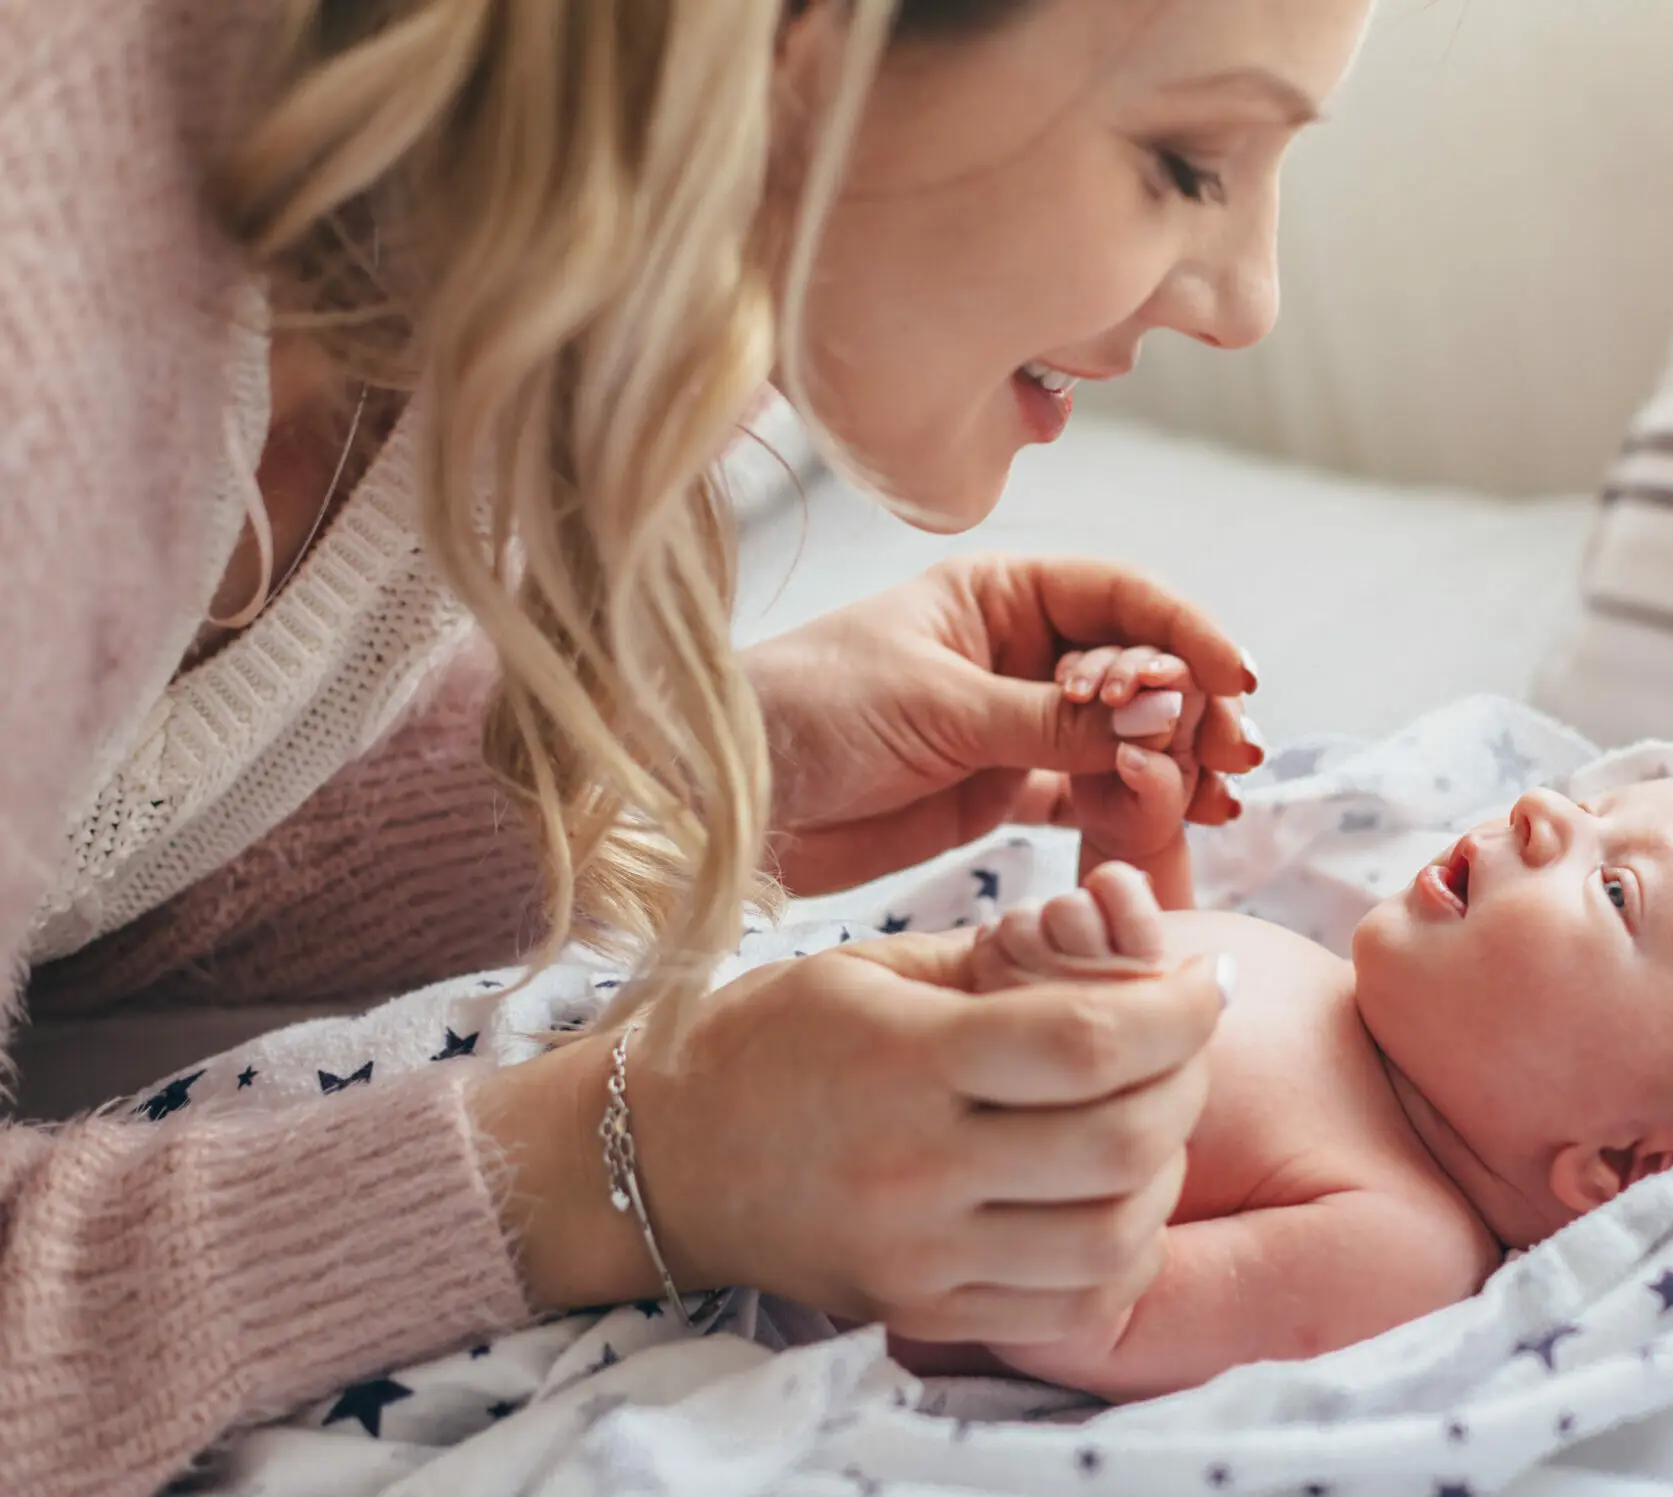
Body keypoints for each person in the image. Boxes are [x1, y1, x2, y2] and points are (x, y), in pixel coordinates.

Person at [0, 0, 1372, 1490]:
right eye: (1187, 158)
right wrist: (627, 1166)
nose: (1249, 302)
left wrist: (686, 762)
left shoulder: (487, 276)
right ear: (800, 44)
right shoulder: (46, 312)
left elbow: (97, 839)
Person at [891, 681, 1673, 1400]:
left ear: (1618, 1166)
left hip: (832, 1209)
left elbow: (1093, 1321)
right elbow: (1169, 990)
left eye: (1617, 888)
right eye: (1590, 808)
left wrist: (1059, 1107)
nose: (1539, 814)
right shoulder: (1335, 995)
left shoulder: (1402, 1246)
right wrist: (1132, 850)